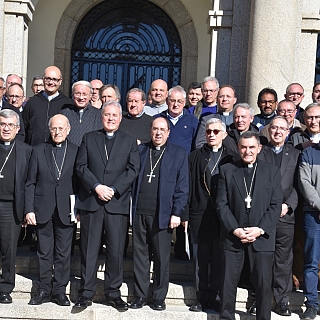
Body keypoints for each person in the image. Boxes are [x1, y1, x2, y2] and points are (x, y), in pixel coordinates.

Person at [74, 101, 140, 311]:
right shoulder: (89, 138)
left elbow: (133, 169)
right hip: (92, 202)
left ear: (120, 118)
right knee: (89, 249)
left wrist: (112, 189)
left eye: (114, 115)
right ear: (101, 117)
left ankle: (113, 293)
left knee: (115, 251)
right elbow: (81, 166)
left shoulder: (129, 142)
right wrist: (96, 187)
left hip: (116, 203)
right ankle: (86, 293)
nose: (110, 118)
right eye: (107, 115)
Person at [216, 131, 282, 320]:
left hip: (261, 237)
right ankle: (226, 317)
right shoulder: (227, 170)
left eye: (252, 147)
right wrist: (234, 229)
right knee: (228, 283)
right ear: (238, 148)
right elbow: (221, 204)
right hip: (232, 236)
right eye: (244, 147)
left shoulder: (271, 171)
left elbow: (276, 204)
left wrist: (260, 229)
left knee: (262, 284)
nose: (247, 151)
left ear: (259, 148)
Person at [130, 117, 188, 311]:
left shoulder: (179, 154)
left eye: (163, 129)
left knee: (162, 258)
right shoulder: (140, 151)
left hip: (163, 214)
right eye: (155, 129)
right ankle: (140, 295)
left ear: (169, 132)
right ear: (150, 130)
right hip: (140, 212)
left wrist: (177, 213)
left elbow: (182, 187)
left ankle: (158, 297)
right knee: (140, 256)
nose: (158, 133)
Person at [25, 114, 79, 306]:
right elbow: (30, 182)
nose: (57, 132)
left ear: (68, 130)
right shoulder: (38, 150)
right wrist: (28, 209)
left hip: (66, 210)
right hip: (42, 208)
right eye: (54, 129)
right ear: (49, 130)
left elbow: (80, 183)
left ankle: (60, 291)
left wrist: (78, 209)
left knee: (64, 253)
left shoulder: (76, 151)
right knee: (44, 252)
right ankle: (44, 290)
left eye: (61, 129)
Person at [187, 118, 238, 312]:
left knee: (218, 258)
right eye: (209, 131)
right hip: (199, 214)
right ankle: (201, 297)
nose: (212, 135)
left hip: (223, 217)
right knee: (200, 258)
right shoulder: (194, 156)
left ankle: (215, 295)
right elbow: (188, 186)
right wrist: (185, 212)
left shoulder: (232, 158)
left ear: (224, 135)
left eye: (216, 132)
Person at [257, 116, 300, 316]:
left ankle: (282, 300)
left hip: (285, 215)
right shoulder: (259, 152)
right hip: (263, 215)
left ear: (288, 131)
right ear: (269, 130)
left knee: (283, 260)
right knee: (262, 260)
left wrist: (288, 205)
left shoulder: (296, 154)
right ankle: (260, 299)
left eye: (282, 128)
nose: (278, 132)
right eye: (274, 128)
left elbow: (297, 186)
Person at [0, 109, 32, 304]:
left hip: (11, 206)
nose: (6, 128)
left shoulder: (26, 150)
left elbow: (29, 183)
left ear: (17, 128)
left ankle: (5, 287)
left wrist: (27, 210)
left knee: (8, 249)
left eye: (10, 125)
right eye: (2, 124)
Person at [22, 66, 73, 146]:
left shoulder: (68, 104)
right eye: (48, 79)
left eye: (55, 79)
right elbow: (23, 129)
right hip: (33, 150)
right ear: (43, 80)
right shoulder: (32, 102)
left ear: (60, 81)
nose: (51, 82)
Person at [298, 135, 320, 320]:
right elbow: (305, 183)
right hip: (313, 214)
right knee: (311, 261)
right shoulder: (308, 153)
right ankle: (312, 303)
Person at [154, 85, 198, 154]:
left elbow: (196, 146)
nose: (176, 104)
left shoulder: (192, 120)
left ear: (184, 103)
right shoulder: (157, 119)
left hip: (184, 162)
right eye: (173, 101)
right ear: (167, 101)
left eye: (179, 101)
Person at [61, 81, 102, 146]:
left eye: (84, 94)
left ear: (90, 95)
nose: (81, 97)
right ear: (72, 94)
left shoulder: (98, 115)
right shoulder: (64, 113)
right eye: (77, 93)